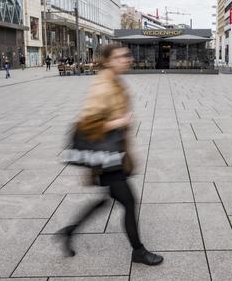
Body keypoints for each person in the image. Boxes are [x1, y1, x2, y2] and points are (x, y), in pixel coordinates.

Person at [59, 44, 163, 266]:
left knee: (109, 199)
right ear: (108, 60)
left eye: (127, 55)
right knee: (128, 200)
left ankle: (69, 231)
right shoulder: (103, 85)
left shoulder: (113, 79)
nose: (127, 59)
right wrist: (120, 121)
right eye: (121, 56)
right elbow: (88, 124)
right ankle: (138, 251)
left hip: (113, 155)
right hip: (107, 158)